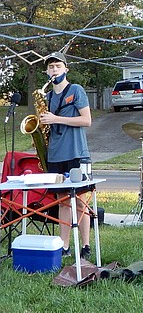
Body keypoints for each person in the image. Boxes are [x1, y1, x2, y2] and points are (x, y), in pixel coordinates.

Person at [38, 51, 93, 259]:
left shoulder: (76, 90)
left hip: (76, 152)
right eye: (51, 67)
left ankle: (86, 246)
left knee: (80, 201)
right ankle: (64, 246)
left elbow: (87, 120)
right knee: (62, 201)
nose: (54, 70)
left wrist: (56, 119)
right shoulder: (48, 96)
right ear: (47, 71)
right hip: (55, 155)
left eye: (58, 66)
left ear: (66, 69)